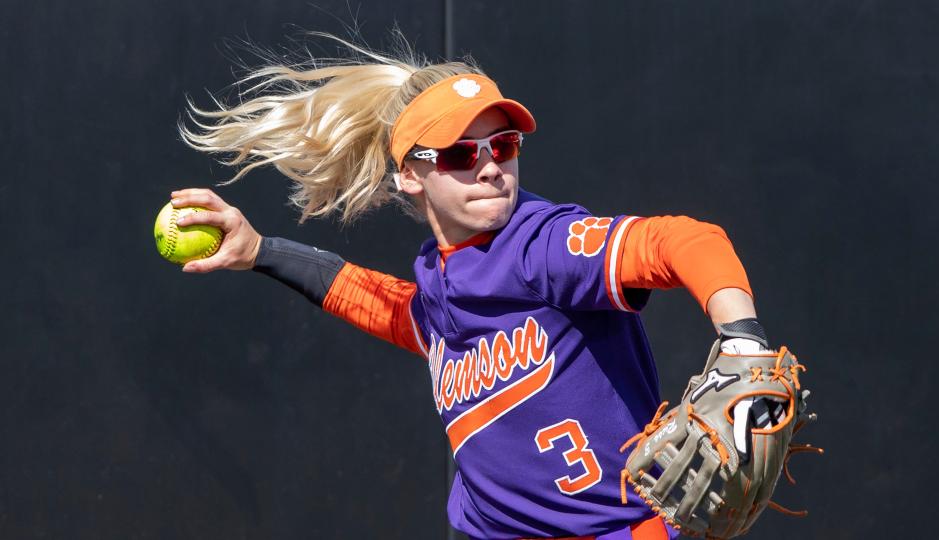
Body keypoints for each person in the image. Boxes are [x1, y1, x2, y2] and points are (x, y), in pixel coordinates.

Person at [170, 32, 772, 540]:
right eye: (461, 153)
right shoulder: (440, 278)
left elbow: (688, 242)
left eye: (503, 145)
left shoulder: (544, 244)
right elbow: (392, 310)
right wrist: (262, 252)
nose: (489, 165)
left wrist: (742, 338)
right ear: (410, 174)